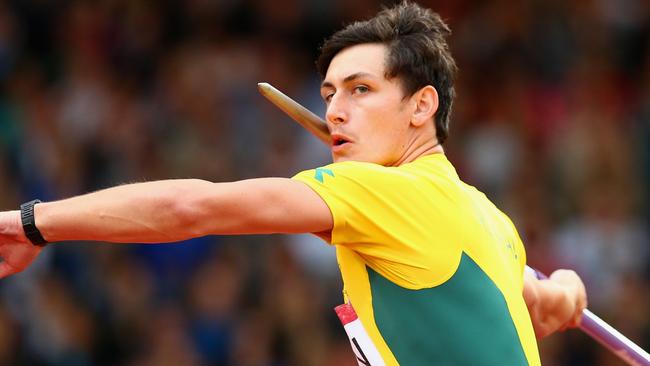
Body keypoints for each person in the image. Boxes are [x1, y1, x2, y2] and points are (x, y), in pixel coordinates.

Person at [0, 2, 586, 365]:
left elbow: (190, 207)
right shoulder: (487, 218)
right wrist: (564, 288)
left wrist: (32, 222)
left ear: (421, 105)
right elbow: (538, 302)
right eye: (330, 95)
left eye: (360, 90)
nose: (334, 111)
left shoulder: (385, 193)